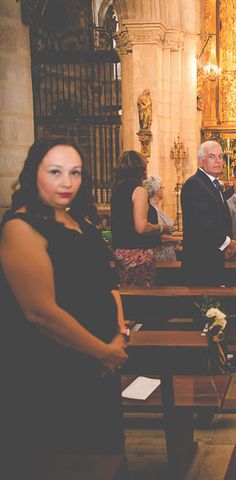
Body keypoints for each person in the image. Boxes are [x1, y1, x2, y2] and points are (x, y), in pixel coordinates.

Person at [0, 137, 129, 462]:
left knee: (105, 456)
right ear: (33, 173)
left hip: (101, 366)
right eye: (55, 172)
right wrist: (104, 351)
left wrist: (119, 333)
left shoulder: (80, 221)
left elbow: (108, 281)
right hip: (54, 372)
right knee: (67, 459)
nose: (67, 182)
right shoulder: (20, 227)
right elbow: (40, 313)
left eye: (75, 172)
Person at [181, 141, 236, 286]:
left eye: (220, 156)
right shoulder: (195, 184)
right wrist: (227, 242)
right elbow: (203, 222)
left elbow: (221, 217)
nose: (218, 161)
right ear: (201, 161)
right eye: (212, 157)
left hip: (213, 256)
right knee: (203, 304)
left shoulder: (211, 183)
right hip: (201, 259)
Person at [111, 150, 163, 286]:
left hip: (120, 251)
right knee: (143, 294)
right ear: (139, 170)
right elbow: (141, 227)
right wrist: (160, 227)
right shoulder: (139, 191)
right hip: (137, 253)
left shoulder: (116, 192)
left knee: (127, 293)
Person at [143, 175, 178, 263]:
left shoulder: (157, 207)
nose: (163, 190)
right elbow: (158, 236)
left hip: (167, 251)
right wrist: (178, 240)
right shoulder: (151, 209)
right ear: (156, 191)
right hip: (160, 252)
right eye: (162, 187)